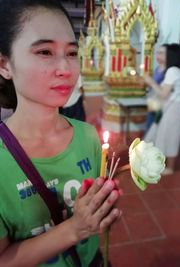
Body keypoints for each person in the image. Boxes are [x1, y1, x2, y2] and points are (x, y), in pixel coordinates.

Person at [0, 1, 122, 266]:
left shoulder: (88, 136)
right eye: (44, 52)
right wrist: (75, 228)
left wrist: (100, 210)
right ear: (4, 64)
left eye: (72, 53)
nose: (66, 70)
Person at [144, 43, 180, 175]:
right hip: (169, 108)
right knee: (160, 135)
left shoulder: (172, 70)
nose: (160, 55)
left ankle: (170, 168)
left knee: (170, 137)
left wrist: (150, 81)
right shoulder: (173, 70)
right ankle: (159, 163)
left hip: (173, 109)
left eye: (163, 53)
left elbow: (163, 93)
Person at [145, 44, 166, 132]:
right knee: (149, 125)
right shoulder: (157, 69)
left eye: (161, 53)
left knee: (156, 128)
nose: (158, 55)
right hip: (152, 100)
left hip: (160, 102)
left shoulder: (168, 70)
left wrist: (151, 82)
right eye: (157, 53)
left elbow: (163, 89)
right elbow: (153, 84)